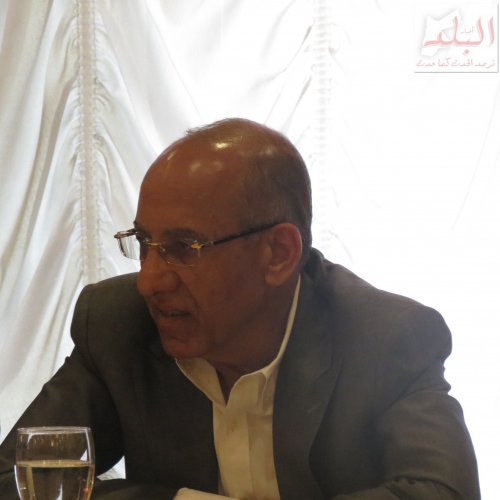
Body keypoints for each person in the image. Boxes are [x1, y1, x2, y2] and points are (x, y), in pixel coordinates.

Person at [0, 118, 480, 499]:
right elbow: (14, 481)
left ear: (278, 254)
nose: (149, 281)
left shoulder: (386, 337)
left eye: (184, 248)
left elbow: (444, 492)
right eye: (144, 243)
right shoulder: (117, 323)